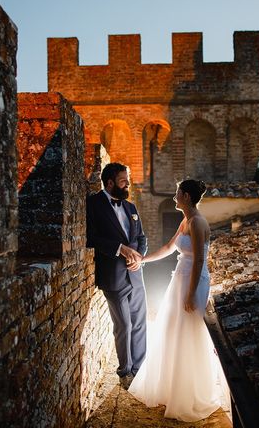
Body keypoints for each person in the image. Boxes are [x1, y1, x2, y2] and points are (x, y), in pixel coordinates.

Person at [128, 179, 227, 422]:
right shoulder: (186, 220)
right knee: (173, 329)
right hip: (180, 280)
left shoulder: (198, 222)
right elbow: (170, 248)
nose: (174, 196)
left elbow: (200, 261)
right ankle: (171, 388)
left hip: (193, 282)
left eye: (177, 192)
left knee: (189, 333)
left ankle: (190, 394)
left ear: (185, 195)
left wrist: (192, 294)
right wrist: (143, 259)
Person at [86, 162, 148, 390]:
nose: (127, 184)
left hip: (136, 274)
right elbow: (90, 238)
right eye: (123, 181)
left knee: (140, 323)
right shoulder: (93, 204)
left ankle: (139, 370)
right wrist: (119, 249)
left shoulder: (131, 208)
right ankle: (125, 372)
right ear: (110, 183)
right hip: (113, 277)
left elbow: (141, 238)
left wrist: (139, 256)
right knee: (123, 325)